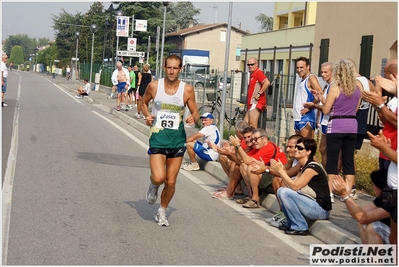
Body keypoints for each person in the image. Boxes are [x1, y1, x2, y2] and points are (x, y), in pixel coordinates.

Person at [141, 55, 199, 227]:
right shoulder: (154, 86)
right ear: (164, 68)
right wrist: (147, 116)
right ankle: (153, 185)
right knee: (159, 177)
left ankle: (162, 211)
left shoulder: (187, 90)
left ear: (181, 69)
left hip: (177, 140)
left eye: (175, 68)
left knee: (171, 181)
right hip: (158, 137)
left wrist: (193, 119)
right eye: (169, 68)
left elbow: (196, 112)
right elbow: (143, 103)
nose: (172, 71)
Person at [312, 59, 362, 201]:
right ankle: (347, 191)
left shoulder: (335, 87)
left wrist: (322, 100)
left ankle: (329, 192)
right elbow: (356, 108)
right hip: (352, 125)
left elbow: (327, 110)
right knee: (348, 160)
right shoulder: (357, 87)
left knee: (333, 159)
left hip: (336, 124)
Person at [271, 137, 331, 236]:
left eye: (300, 148)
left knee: (284, 192)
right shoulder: (303, 165)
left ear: (308, 152)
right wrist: (274, 170)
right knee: (282, 191)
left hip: (320, 210)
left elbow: (295, 187)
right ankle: (290, 223)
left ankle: (300, 226)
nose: (296, 150)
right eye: (296, 147)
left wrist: (280, 171)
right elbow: (292, 183)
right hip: (311, 204)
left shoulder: (312, 167)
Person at [251, 134, 303, 226]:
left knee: (283, 180)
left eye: (290, 147)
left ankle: (288, 216)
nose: (287, 150)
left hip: (308, 195)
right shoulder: (293, 160)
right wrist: (265, 167)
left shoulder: (304, 160)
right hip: (296, 189)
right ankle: (283, 212)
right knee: (277, 179)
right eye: (287, 147)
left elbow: (287, 174)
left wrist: (266, 169)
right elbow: (281, 170)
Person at [229, 129, 287, 208]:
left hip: (277, 177)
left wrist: (238, 146)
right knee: (243, 166)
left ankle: (255, 200)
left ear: (265, 138)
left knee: (252, 168)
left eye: (256, 139)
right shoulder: (258, 147)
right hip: (269, 173)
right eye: (252, 139)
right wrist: (236, 147)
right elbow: (241, 160)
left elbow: (247, 160)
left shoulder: (269, 147)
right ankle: (251, 196)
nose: (253, 141)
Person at [333, 169, 391, 244]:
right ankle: (369, 254)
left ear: (382, 187)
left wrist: (345, 196)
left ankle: (376, 255)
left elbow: (363, 218)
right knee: (362, 224)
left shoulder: (392, 201)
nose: (373, 187)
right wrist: (346, 195)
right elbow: (357, 215)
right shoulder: (381, 198)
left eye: (374, 185)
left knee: (373, 227)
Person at [363, 59, 397, 171]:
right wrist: (376, 105)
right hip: (386, 150)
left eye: (385, 75)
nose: (383, 79)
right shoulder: (395, 99)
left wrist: (381, 105)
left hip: (393, 152)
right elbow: (388, 121)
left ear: (393, 76)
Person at [210, 122, 254, 200]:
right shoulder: (246, 142)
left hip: (261, 172)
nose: (247, 139)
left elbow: (241, 161)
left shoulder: (250, 142)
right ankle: (235, 187)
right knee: (225, 158)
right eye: (246, 137)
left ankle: (230, 191)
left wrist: (229, 152)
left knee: (237, 164)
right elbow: (237, 155)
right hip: (251, 167)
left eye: (249, 137)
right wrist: (223, 150)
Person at [305, 62, 333, 169]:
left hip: (329, 121)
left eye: (326, 72)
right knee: (323, 149)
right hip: (324, 121)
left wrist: (314, 105)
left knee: (325, 149)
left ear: (332, 72)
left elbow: (328, 106)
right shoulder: (327, 86)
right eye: (322, 72)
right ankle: (324, 171)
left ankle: (327, 173)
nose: (323, 74)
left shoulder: (333, 86)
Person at [293, 56, 323, 138]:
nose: (299, 70)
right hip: (297, 117)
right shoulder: (302, 79)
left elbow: (320, 94)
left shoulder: (311, 78)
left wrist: (310, 107)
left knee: (307, 146)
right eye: (297, 67)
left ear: (308, 67)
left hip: (306, 118)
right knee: (299, 147)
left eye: (301, 67)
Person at [244, 58, 270, 128]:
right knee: (245, 123)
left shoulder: (258, 72)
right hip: (252, 102)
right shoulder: (253, 74)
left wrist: (259, 93)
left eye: (252, 64)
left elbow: (267, 82)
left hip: (256, 102)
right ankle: (247, 139)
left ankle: (256, 138)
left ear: (256, 64)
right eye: (248, 64)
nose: (250, 66)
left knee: (252, 124)